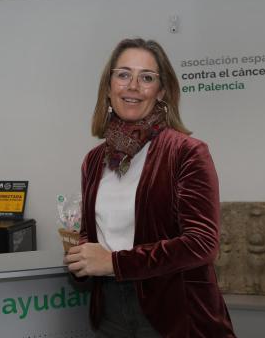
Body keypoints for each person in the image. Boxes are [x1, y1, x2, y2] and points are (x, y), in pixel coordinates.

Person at [64, 38, 236, 337]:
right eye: (123, 74)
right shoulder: (93, 160)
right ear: (108, 87)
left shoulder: (187, 152)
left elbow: (202, 243)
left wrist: (115, 263)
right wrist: (80, 257)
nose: (133, 86)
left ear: (162, 92)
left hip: (174, 311)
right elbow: (91, 233)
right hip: (110, 310)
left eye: (146, 78)